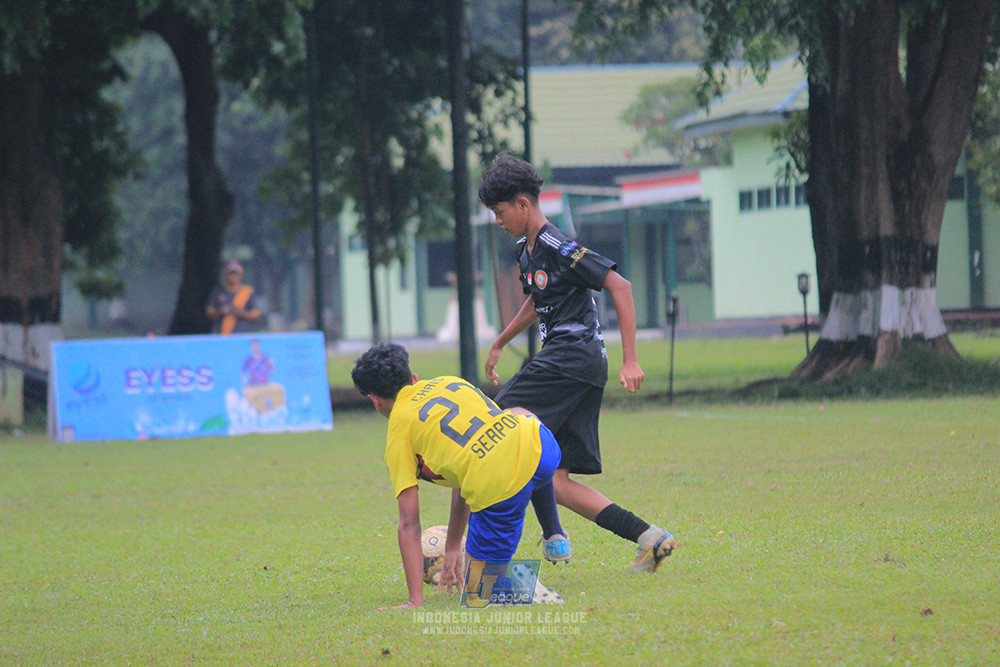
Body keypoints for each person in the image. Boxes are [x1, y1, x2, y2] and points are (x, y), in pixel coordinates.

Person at [479, 152, 676, 574]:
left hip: (573, 356)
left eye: (499, 211)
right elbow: (539, 300)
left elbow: (619, 286)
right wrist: (500, 341)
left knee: (500, 425)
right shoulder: (525, 251)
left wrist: (632, 360)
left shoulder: (559, 245)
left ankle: (544, 539)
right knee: (556, 481)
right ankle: (649, 537)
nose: (498, 220)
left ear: (523, 204)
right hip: (577, 366)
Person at [351, 342, 565, 609]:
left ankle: (534, 590)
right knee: (514, 418)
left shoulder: (398, 430)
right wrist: (452, 547)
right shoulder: (449, 382)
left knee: (478, 590)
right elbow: (466, 467)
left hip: (501, 479)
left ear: (375, 400)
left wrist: (415, 601)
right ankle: (554, 533)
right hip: (542, 446)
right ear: (413, 378)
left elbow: (409, 522)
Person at [205, 258, 262, 334]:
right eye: (230, 273)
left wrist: (241, 313)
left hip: (242, 334)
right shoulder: (218, 292)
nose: (233, 276)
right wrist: (221, 311)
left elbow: (256, 315)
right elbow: (209, 312)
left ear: (241, 275)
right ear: (225, 274)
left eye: (236, 274)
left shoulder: (247, 291)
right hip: (222, 334)